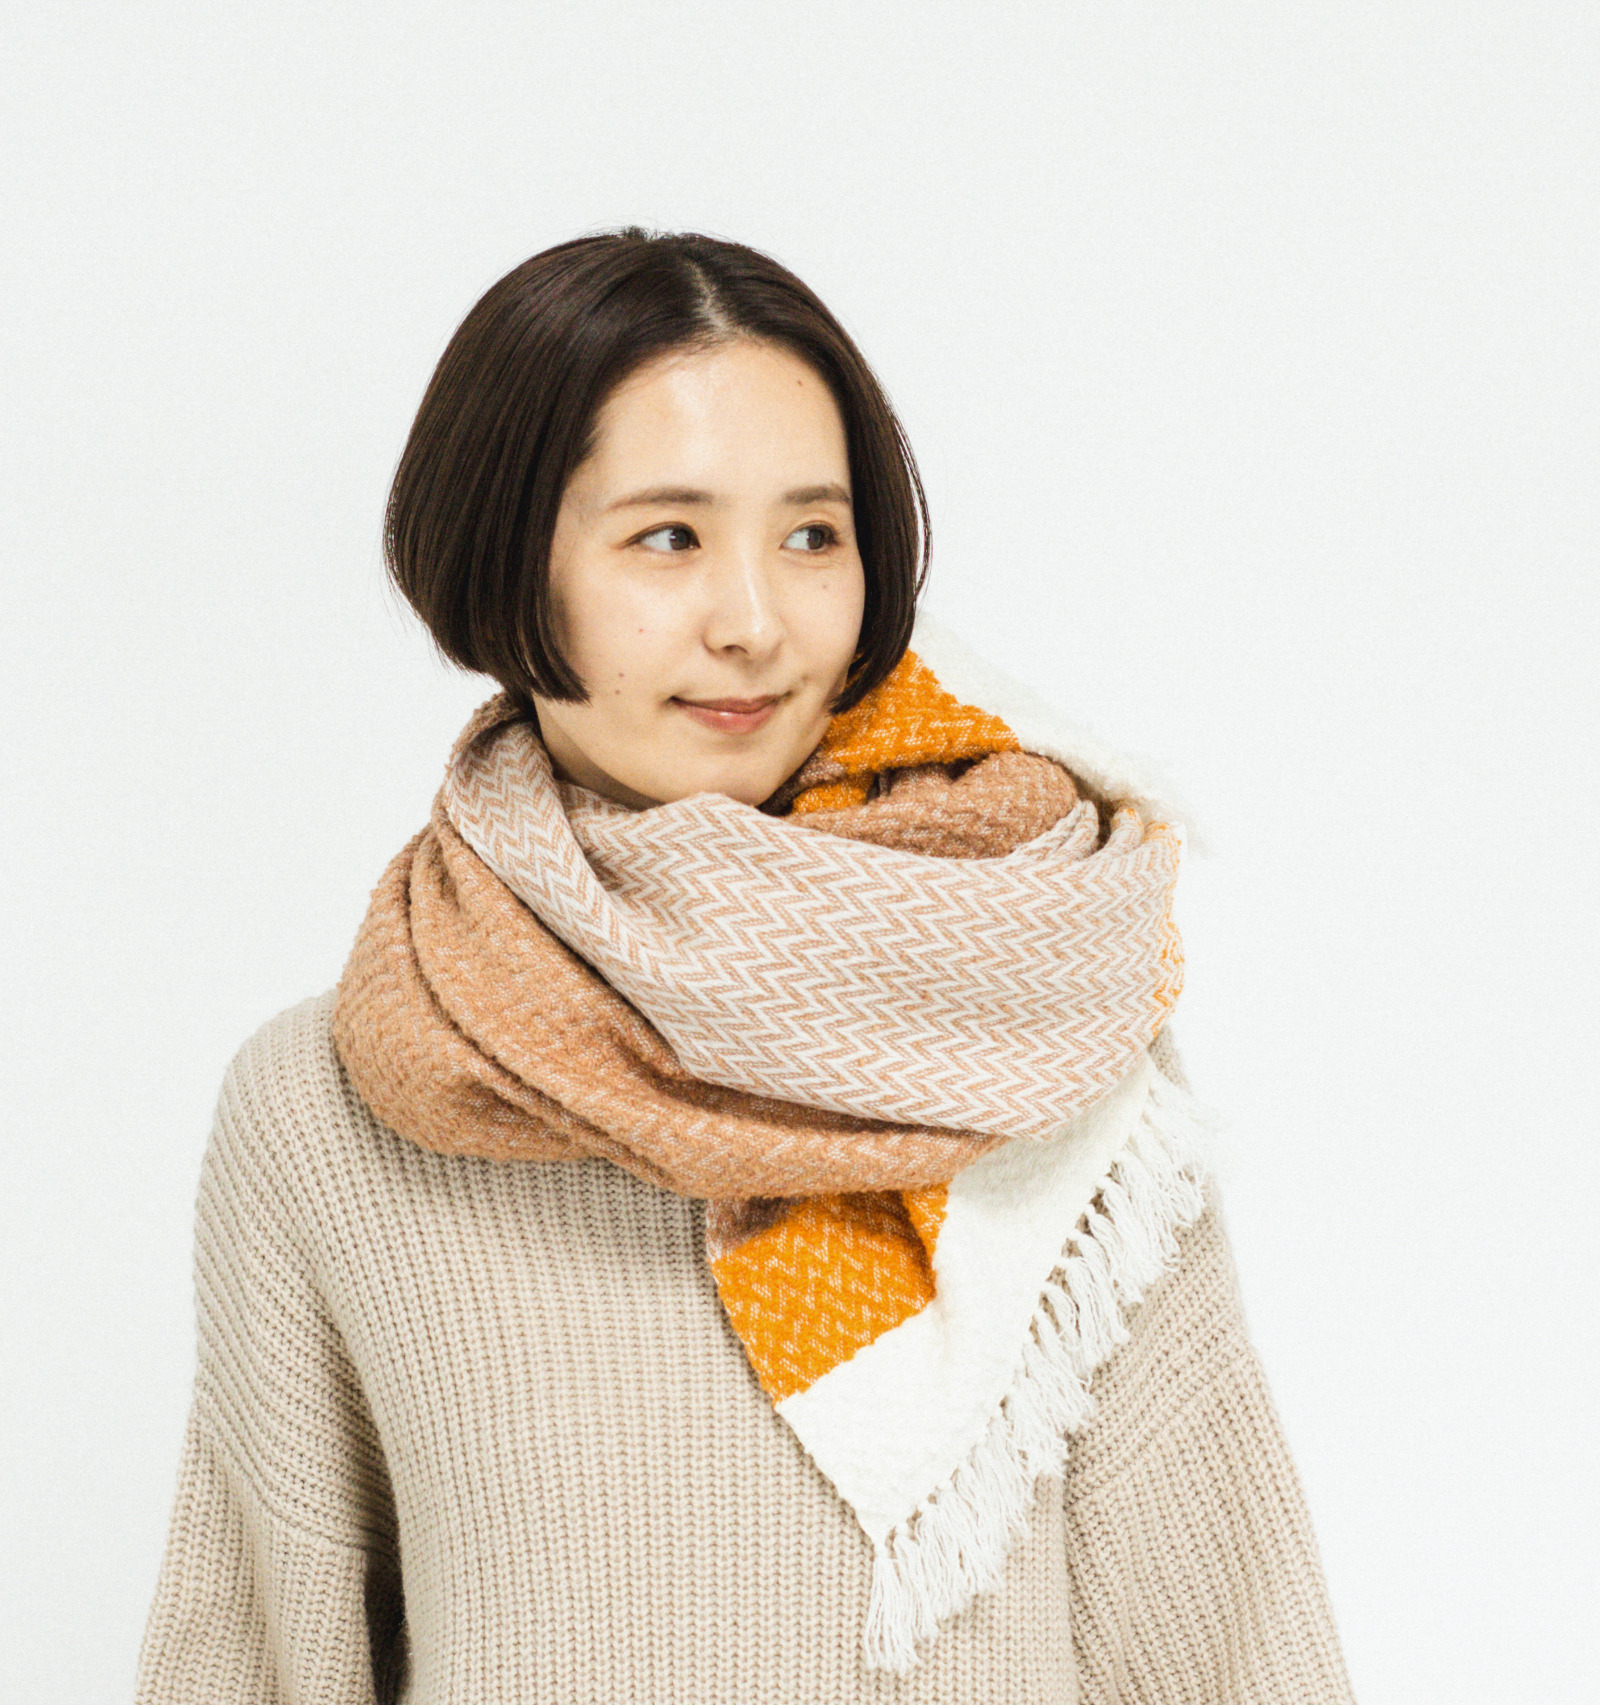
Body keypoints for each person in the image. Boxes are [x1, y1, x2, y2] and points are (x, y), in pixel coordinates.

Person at [134, 228, 1357, 1703]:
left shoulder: (1031, 1030)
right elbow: (261, 1658)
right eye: (668, 537)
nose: (755, 622)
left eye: (813, 536)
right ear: (508, 561)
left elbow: (1232, 1642)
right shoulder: (324, 1108)